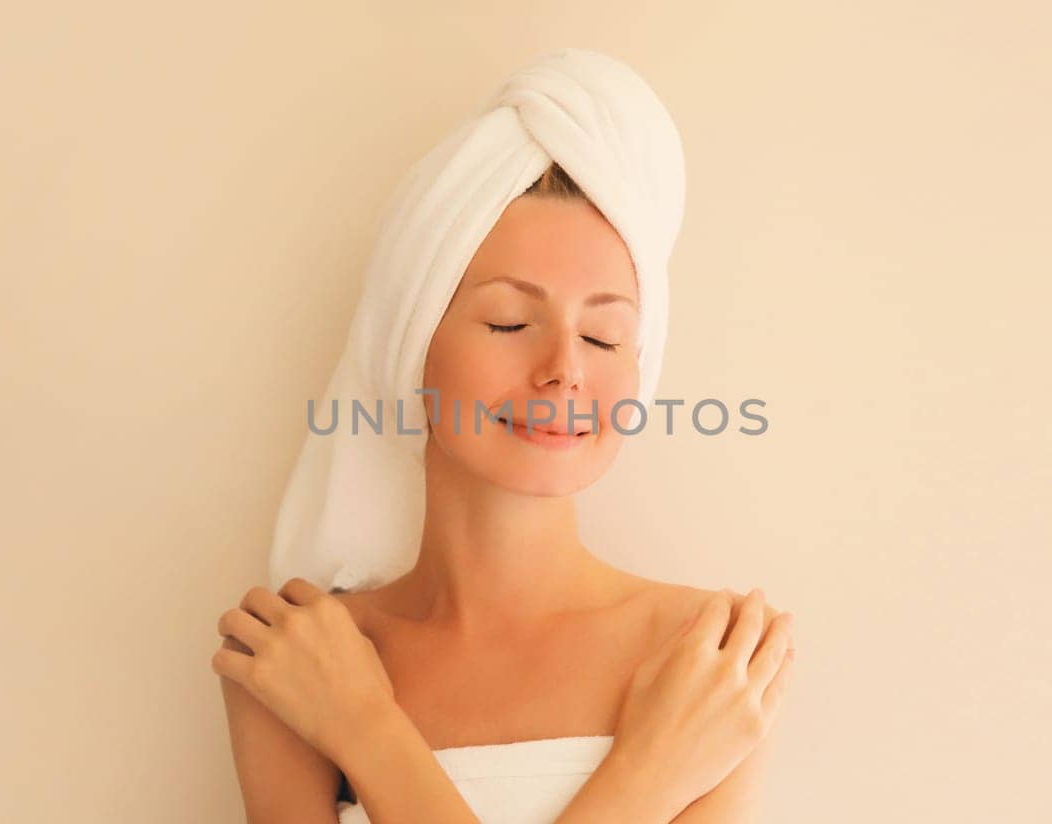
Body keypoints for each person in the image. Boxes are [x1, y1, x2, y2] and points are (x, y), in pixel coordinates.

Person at [212, 50, 797, 823]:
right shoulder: (299, 659)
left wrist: (367, 733)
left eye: (603, 337)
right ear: (411, 339)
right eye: (510, 322)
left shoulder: (707, 657)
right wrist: (646, 782)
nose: (564, 371)